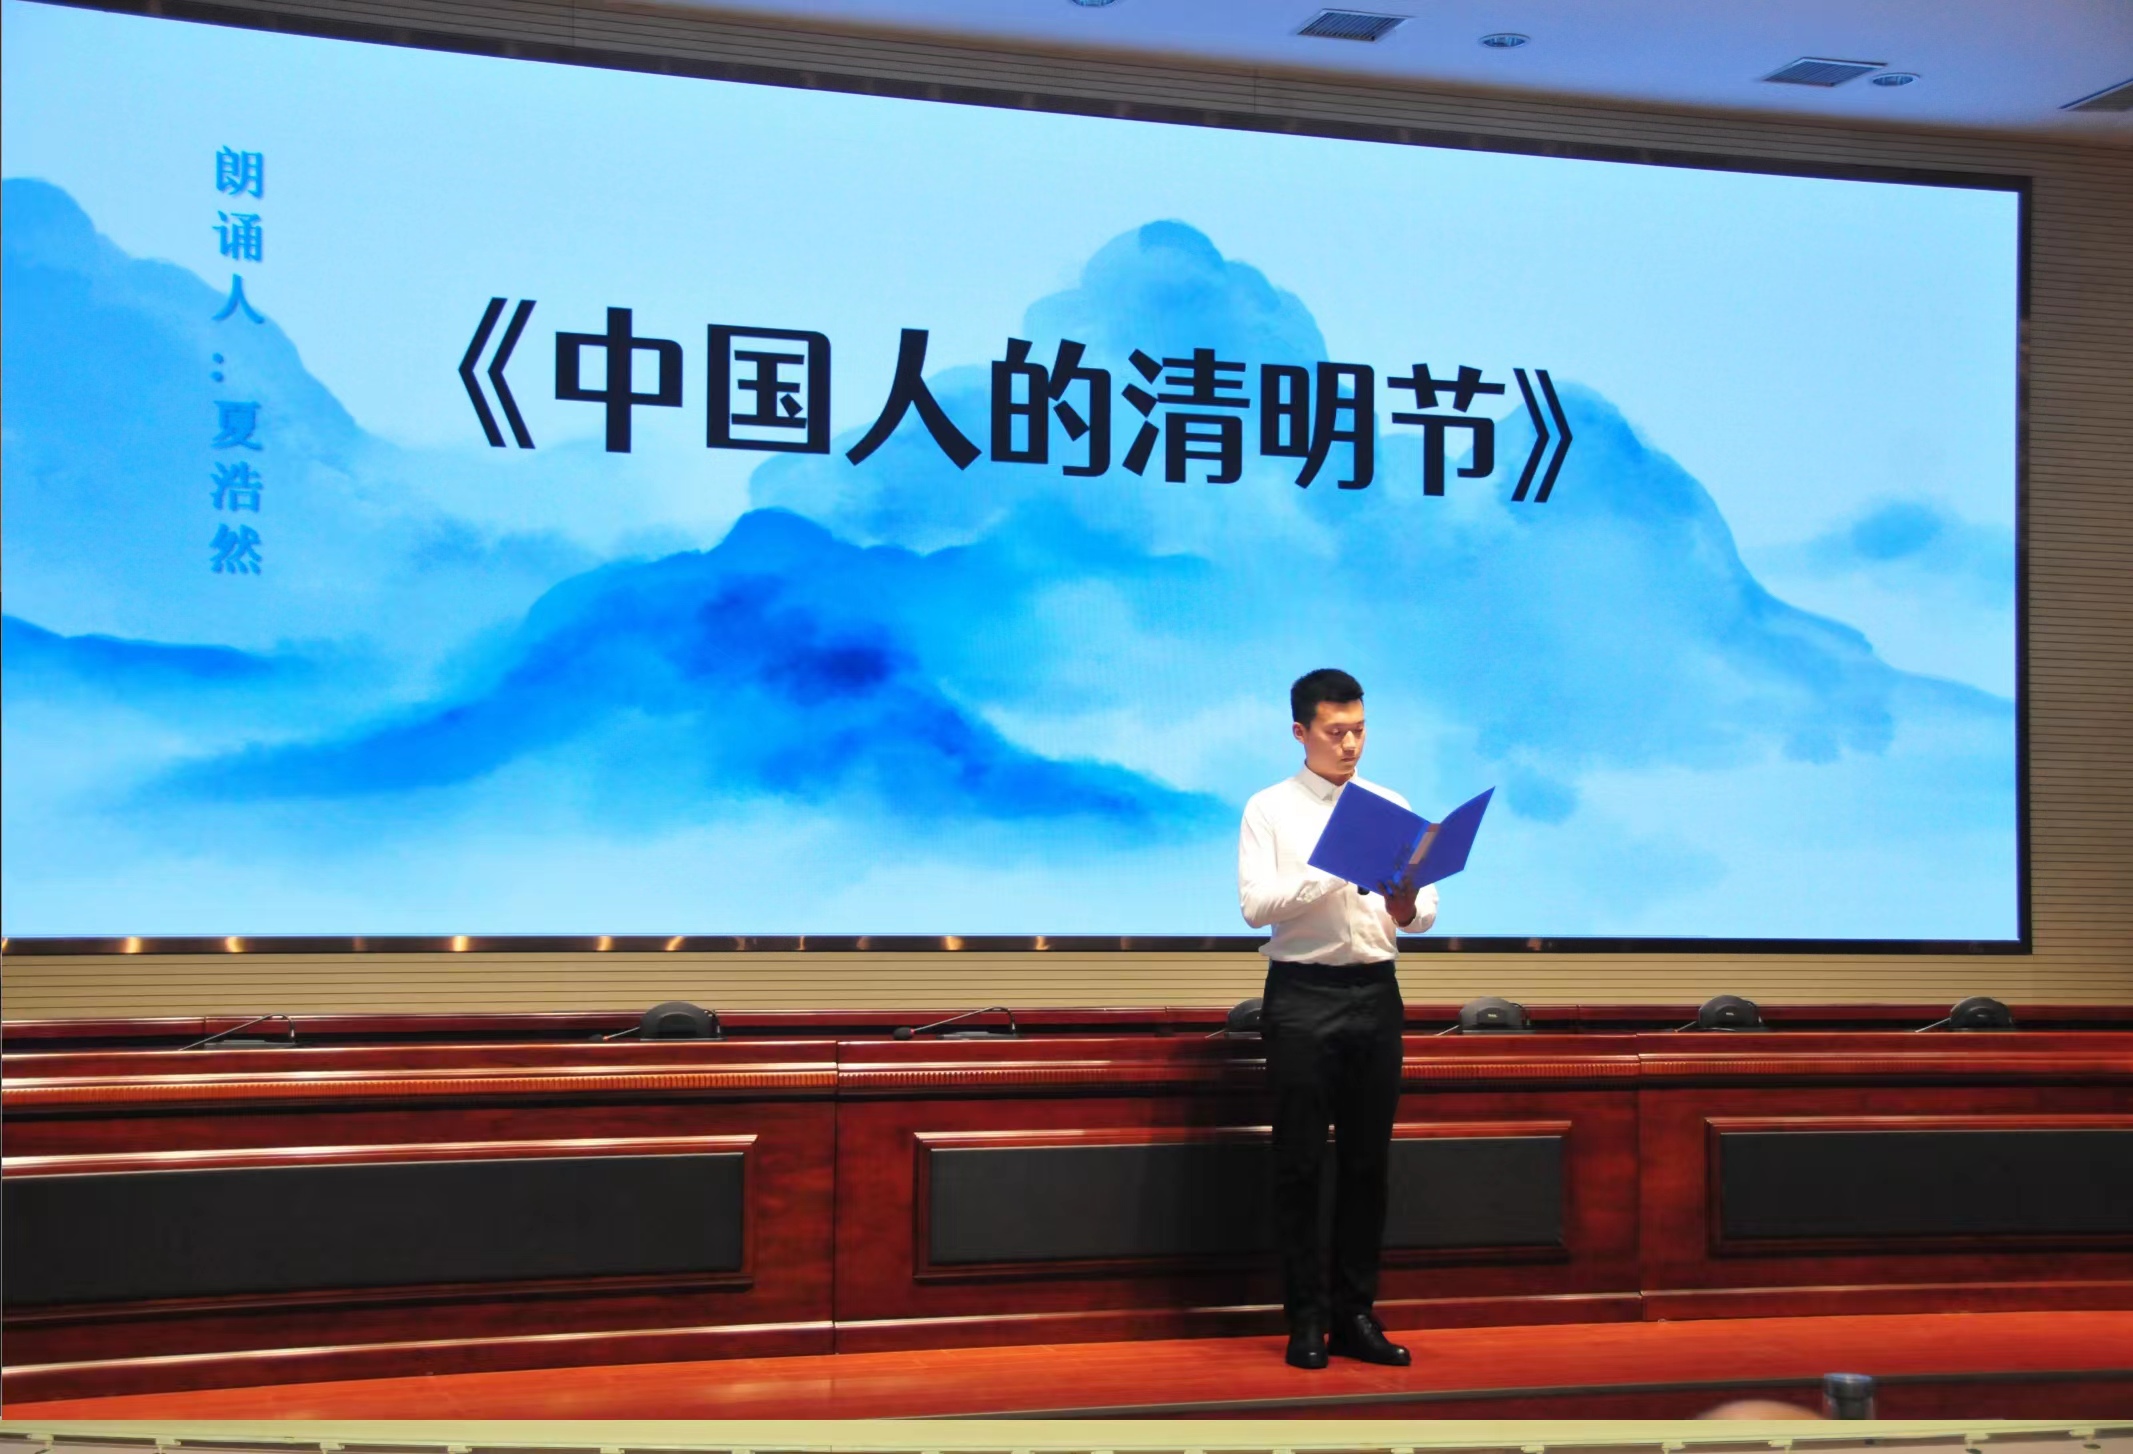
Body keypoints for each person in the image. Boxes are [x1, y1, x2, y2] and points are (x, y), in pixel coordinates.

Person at [1237, 667, 1436, 1370]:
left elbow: (1421, 914)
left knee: (1366, 1163)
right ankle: (1306, 1320)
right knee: (1298, 1162)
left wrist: (1406, 901)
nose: (1350, 745)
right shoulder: (1268, 808)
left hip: (1375, 991)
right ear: (1301, 733)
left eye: (1359, 730)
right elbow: (1254, 906)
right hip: (1302, 994)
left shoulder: (1390, 804)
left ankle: (1356, 1315)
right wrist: (1337, 866)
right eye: (1335, 732)